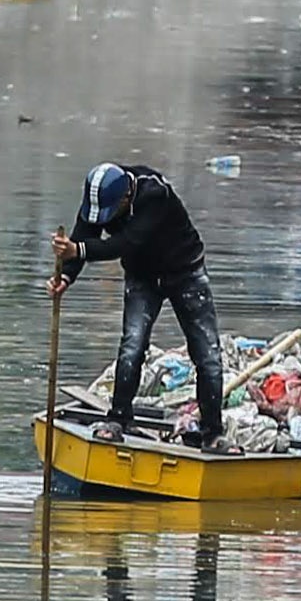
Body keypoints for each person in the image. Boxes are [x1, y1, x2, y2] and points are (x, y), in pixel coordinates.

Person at [49, 161, 226, 447]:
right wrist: (66, 277)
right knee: (132, 346)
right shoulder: (100, 195)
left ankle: (213, 433)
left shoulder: (153, 194)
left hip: (185, 272)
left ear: (127, 198)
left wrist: (77, 249)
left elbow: (124, 243)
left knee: (207, 355)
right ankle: (118, 418)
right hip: (143, 276)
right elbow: (84, 236)